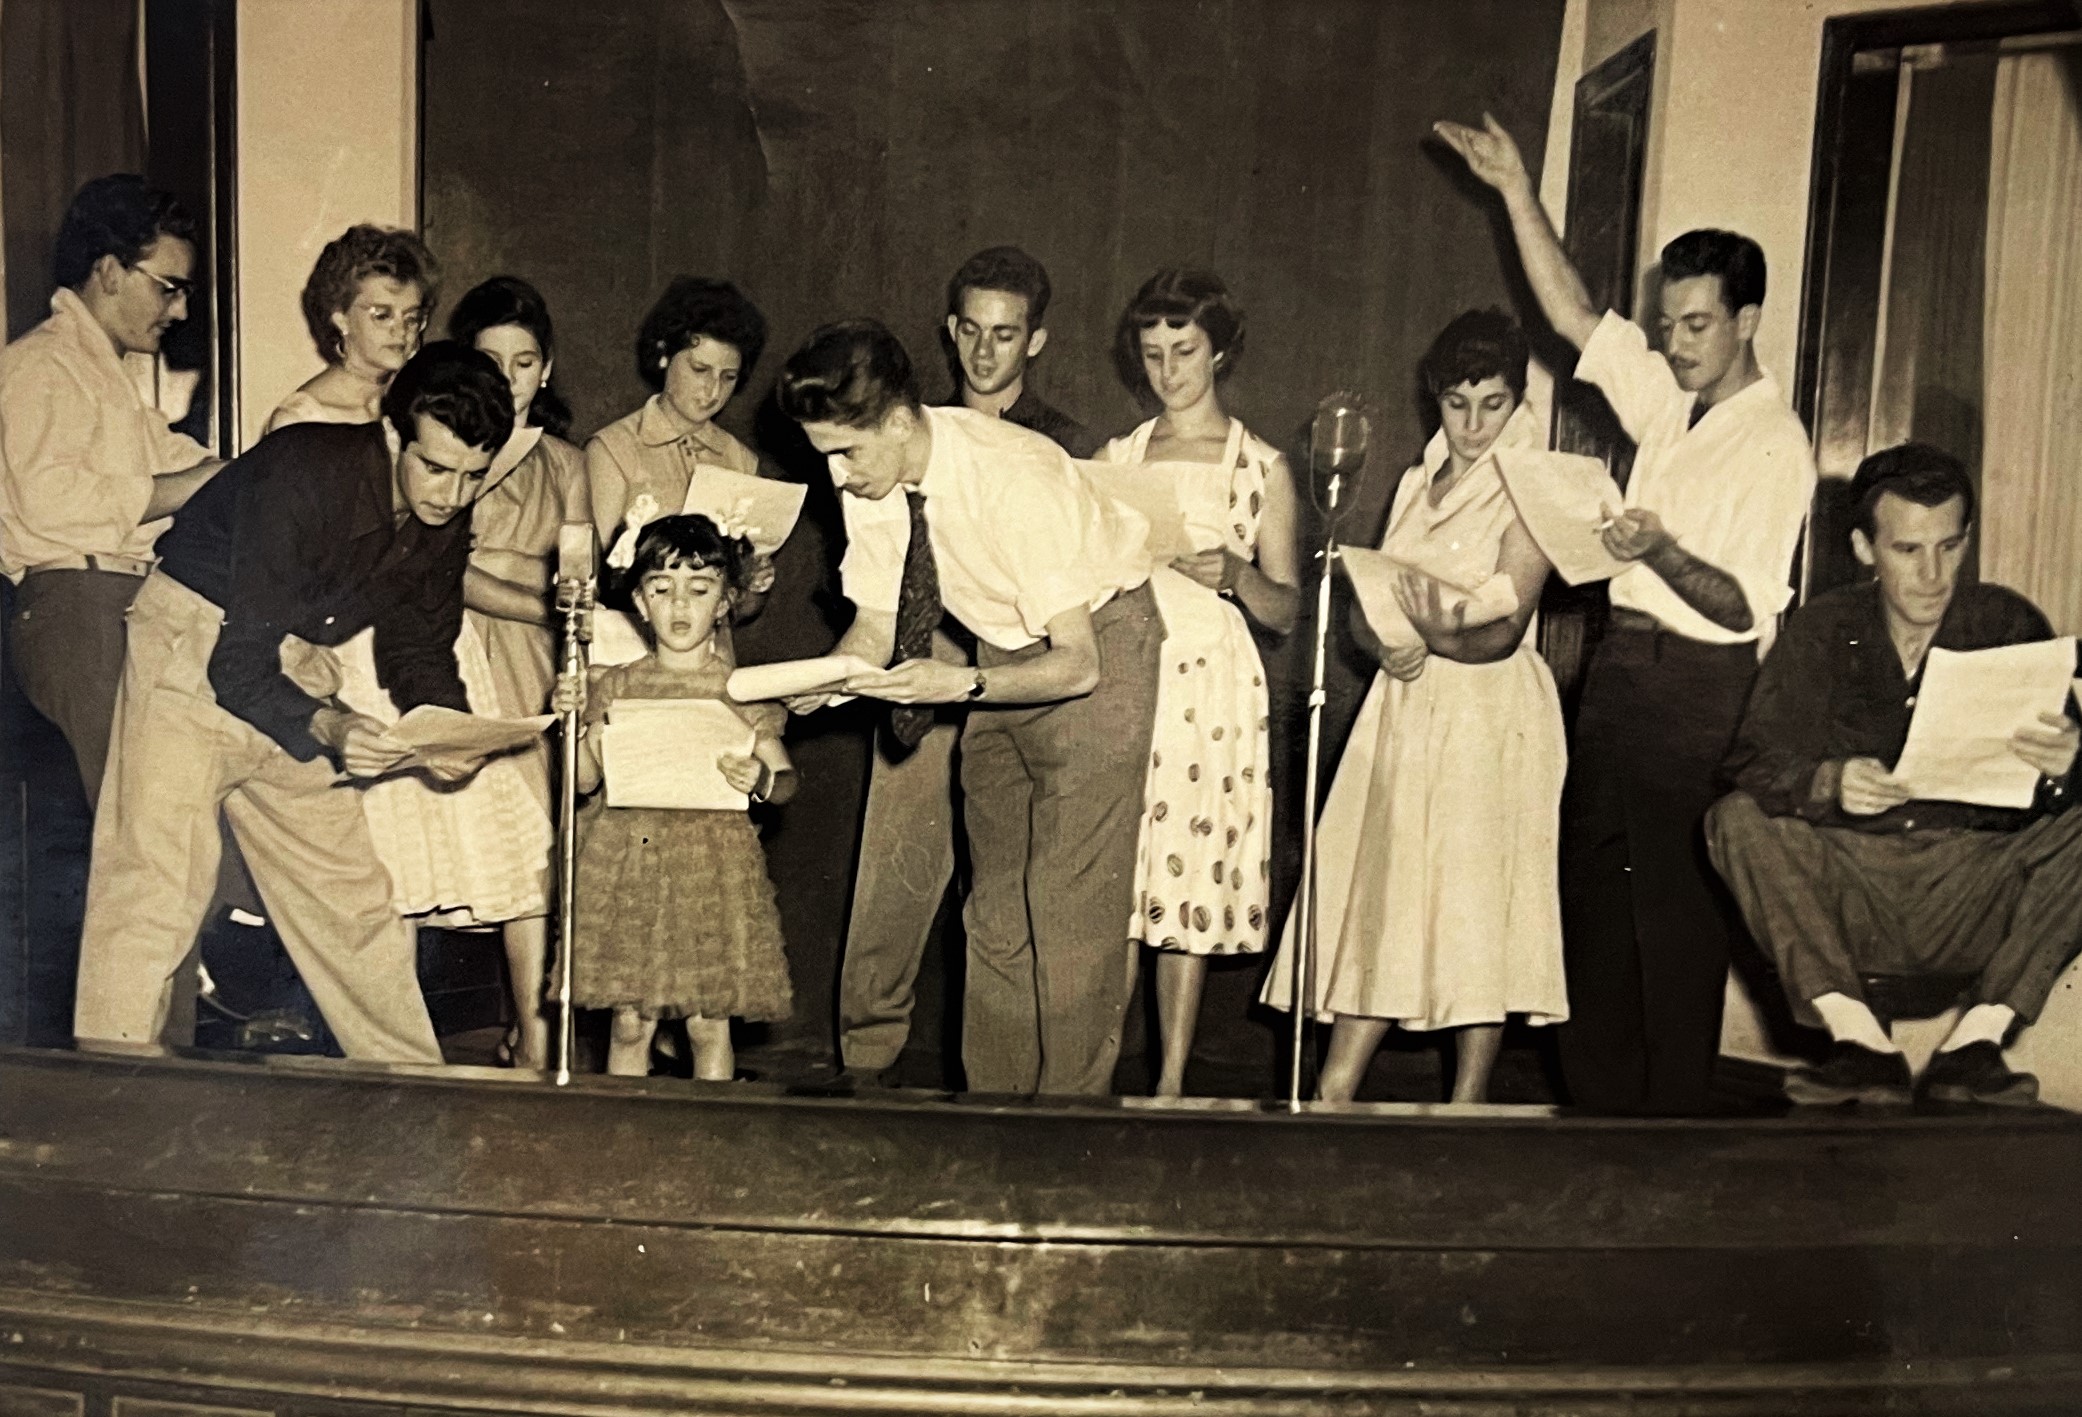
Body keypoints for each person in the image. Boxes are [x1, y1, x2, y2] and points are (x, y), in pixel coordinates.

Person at [1436, 112, 1817, 1114]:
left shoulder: (1774, 444)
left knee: (1673, 923)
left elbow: (1739, 606)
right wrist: (1515, 189)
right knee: (1594, 913)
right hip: (1619, 678)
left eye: (1699, 326)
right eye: (1671, 325)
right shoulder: (1671, 403)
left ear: (1747, 321)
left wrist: (1659, 550)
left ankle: (1672, 1140)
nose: (1678, 345)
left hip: (1700, 690)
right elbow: (1574, 318)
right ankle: (1599, 1130)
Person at [73, 343, 515, 1061]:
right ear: (394, 432)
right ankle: (110, 1091)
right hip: (192, 642)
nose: (450, 495)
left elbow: (420, 645)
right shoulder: (304, 469)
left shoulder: (446, 515)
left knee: (351, 895)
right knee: (156, 882)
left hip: (284, 659)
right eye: (435, 468)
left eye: (472, 476)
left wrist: (449, 733)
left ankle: (418, 1088)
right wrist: (333, 723)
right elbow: (235, 661)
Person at [778, 319, 1159, 1097]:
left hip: (1098, 648)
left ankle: (1067, 1140)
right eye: (825, 455)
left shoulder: (1011, 477)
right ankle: (994, 1123)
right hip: (1001, 656)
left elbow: (1078, 663)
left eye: (845, 451)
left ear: (896, 420)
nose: (837, 475)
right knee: (993, 913)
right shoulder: (874, 474)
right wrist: (826, 680)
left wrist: (962, 687)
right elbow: (879, 622)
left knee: (1067, 912)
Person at [1708, 444, 2082, 1107]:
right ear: (1863, 547)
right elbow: (1752, 759)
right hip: (1854, 885)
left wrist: (2070, 763)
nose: (1932, 574)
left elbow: (2060, 795)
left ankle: (1976, 1045)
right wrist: (1830, 780)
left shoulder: (2008, 622)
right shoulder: (1823, 628)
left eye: (1949, 546)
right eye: (1908, 550)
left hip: (1971, 883)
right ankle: (1861, 1044)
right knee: (1735, 817)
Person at [1262, 309, 1568, 1102]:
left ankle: (1466, 1102)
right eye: (1457, 403)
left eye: (1492, 404)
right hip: (1408, 703)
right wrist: (1383, 641)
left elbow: (1505, 626)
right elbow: (1372, 595)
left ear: (1517, 401)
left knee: (1473, 896)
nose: (1472, 424)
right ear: (1437, 398)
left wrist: (1430, 640)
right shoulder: (1413, 480)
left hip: (1490, 712)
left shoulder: (1536, 483)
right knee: (1382, 886)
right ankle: (1337, 1083)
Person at [837, 245, 1100, 1083]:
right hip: (921, 658)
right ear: (951, 334)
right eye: (973, 332)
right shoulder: (905, 434)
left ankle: (1019, 1089)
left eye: (1007, 333)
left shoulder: (1059, 446)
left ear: (1037, 341)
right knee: (896, 868)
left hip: (1019, 667)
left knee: (1014, 894)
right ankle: (863, 1060)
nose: (987, 351)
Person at [1099, 268, 1299, 1098]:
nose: (1168, 370)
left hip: (1210, 685)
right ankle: (1094, 1068)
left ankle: (1172, 1082)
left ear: (1219, 352)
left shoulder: (1262, 466)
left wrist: (1236, 573)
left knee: (1180, 884)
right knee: (1113, 879)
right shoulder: (1122, 457)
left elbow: (1285, 610)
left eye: (1184, 351)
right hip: (1130, 669)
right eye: (1152, 354)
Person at [0, 174, 221, 807]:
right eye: (169, 287)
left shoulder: (111, 377)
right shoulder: (39, 365)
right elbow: (52, 502)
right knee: (139, 818)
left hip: (122, 602)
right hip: (75, 608)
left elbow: (180, 461)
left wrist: (253, 471)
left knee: (180, 807)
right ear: (109, 270)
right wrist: (190, 485)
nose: (178, 309)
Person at [555, 513, 796, 1081]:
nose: (680, 606)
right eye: (662, 589)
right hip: (627, 867)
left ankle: (713, 1141)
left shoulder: (741, 689)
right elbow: (584, 782)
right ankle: (623, 1142)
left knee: (705, 1023)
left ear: (726, 601)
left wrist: (759, 779)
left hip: (710, 872)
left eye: (700, 589)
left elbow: (785, 780)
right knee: (630, 1024)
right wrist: (575, 725)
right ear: (640, 602)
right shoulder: (613, 684)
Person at [443, 276, 590, 1069]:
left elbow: (579, 574)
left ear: (547, 368)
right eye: (490, 360)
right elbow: (441, 566)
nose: (508, 377)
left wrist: (556, 607)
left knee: (536, 850)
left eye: (525, 360)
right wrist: (534, 599)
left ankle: (539, 1034)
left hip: (533, 662)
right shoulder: (444, 445)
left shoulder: (566, 461)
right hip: (452, 649)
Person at [268, 225, 437, 431]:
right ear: (341, 319)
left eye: (412, 318)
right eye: (382, 315)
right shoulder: (301, 420)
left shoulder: (421, 405)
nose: (401, 331)